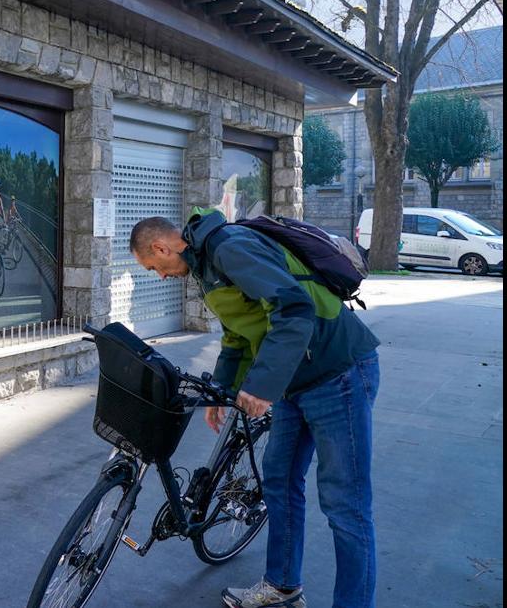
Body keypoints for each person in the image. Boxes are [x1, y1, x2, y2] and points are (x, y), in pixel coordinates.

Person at [129, 209, 380, 608]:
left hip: (337, 375)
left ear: (161, 246)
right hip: (294, 381)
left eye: (153, 265)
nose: (159, 275)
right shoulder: (205, 264)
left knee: (344, 504)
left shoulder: (230, 248)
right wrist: (221, 391)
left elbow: (294, 309)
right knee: (278, 483)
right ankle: (282, 584)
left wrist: (260, 387)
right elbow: (238, 331)